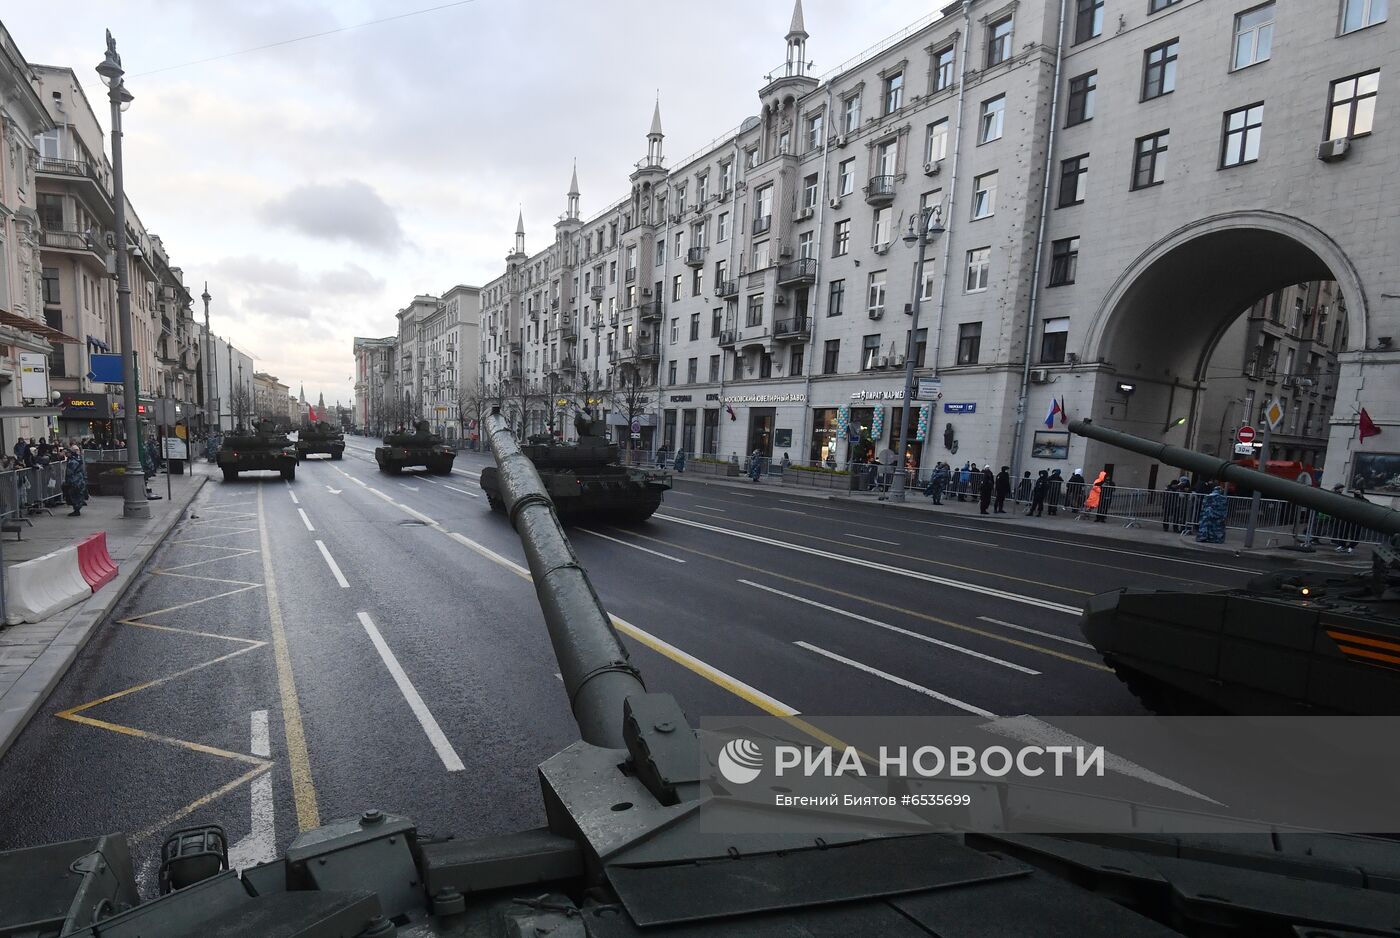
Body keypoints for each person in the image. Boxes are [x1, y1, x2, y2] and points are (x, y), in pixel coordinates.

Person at [62, 446, 87, 517]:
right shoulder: (77, 459)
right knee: (76, 494)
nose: (66, 454)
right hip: (79, 479)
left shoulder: (72, 461)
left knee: (74, 494)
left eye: (68, 453)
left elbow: (69, 472)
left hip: (75, 480)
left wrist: (68, 481)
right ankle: (78, 507)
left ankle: (76, 509)